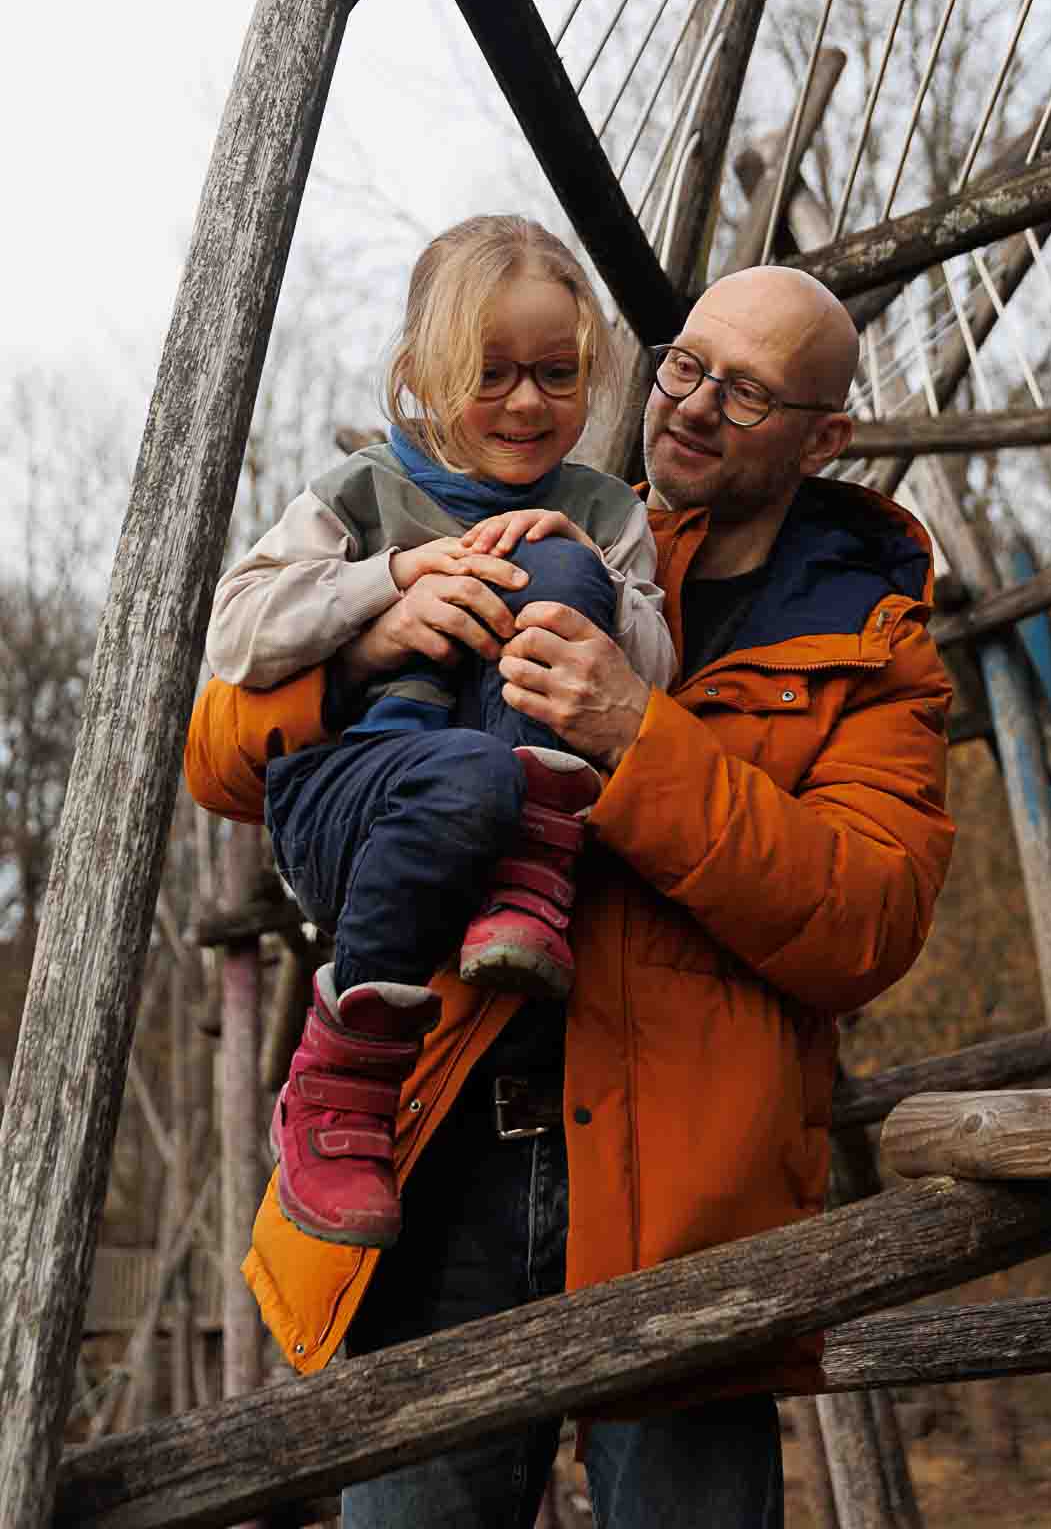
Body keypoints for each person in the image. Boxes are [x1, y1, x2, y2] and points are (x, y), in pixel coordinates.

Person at [185, 262, 955, 1529]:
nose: (694, 408)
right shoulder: (541, 519)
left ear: (826, 437)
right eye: (686, 366)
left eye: (747, 395)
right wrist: (371, 639)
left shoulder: (867, 647)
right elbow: (218, 753)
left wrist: (633, 739)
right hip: (442, 1163)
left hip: (687, 1198)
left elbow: (861, 921)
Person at [204, 214, 675, 1249]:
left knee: (552, 579)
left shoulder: (601, 508)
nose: (525, 401)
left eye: (556, 374)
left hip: (519, 820)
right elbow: (236, 634)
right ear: (422, 373)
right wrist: (385, 589)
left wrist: (584, 564)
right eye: (490, 371)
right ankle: (337, 1088)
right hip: (359, 809)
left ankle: (528, 873)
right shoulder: (360, 493)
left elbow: (654, 669)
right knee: (462, 771)